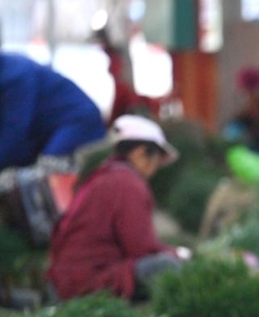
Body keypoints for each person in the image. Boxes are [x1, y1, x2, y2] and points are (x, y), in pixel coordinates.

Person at [46, 115, 190, 302]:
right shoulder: (127, 183)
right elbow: (140, 247)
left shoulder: (104, 176)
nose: (155, 169)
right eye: (155, 159)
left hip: (64, 282)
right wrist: (176, 253)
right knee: (167, 267)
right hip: (84, 285)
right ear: (140, 153)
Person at [0, 52, 106, 173]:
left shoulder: (15, 75)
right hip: (42, 131)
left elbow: (14, 132)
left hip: (76, 122)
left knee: (49, 169)